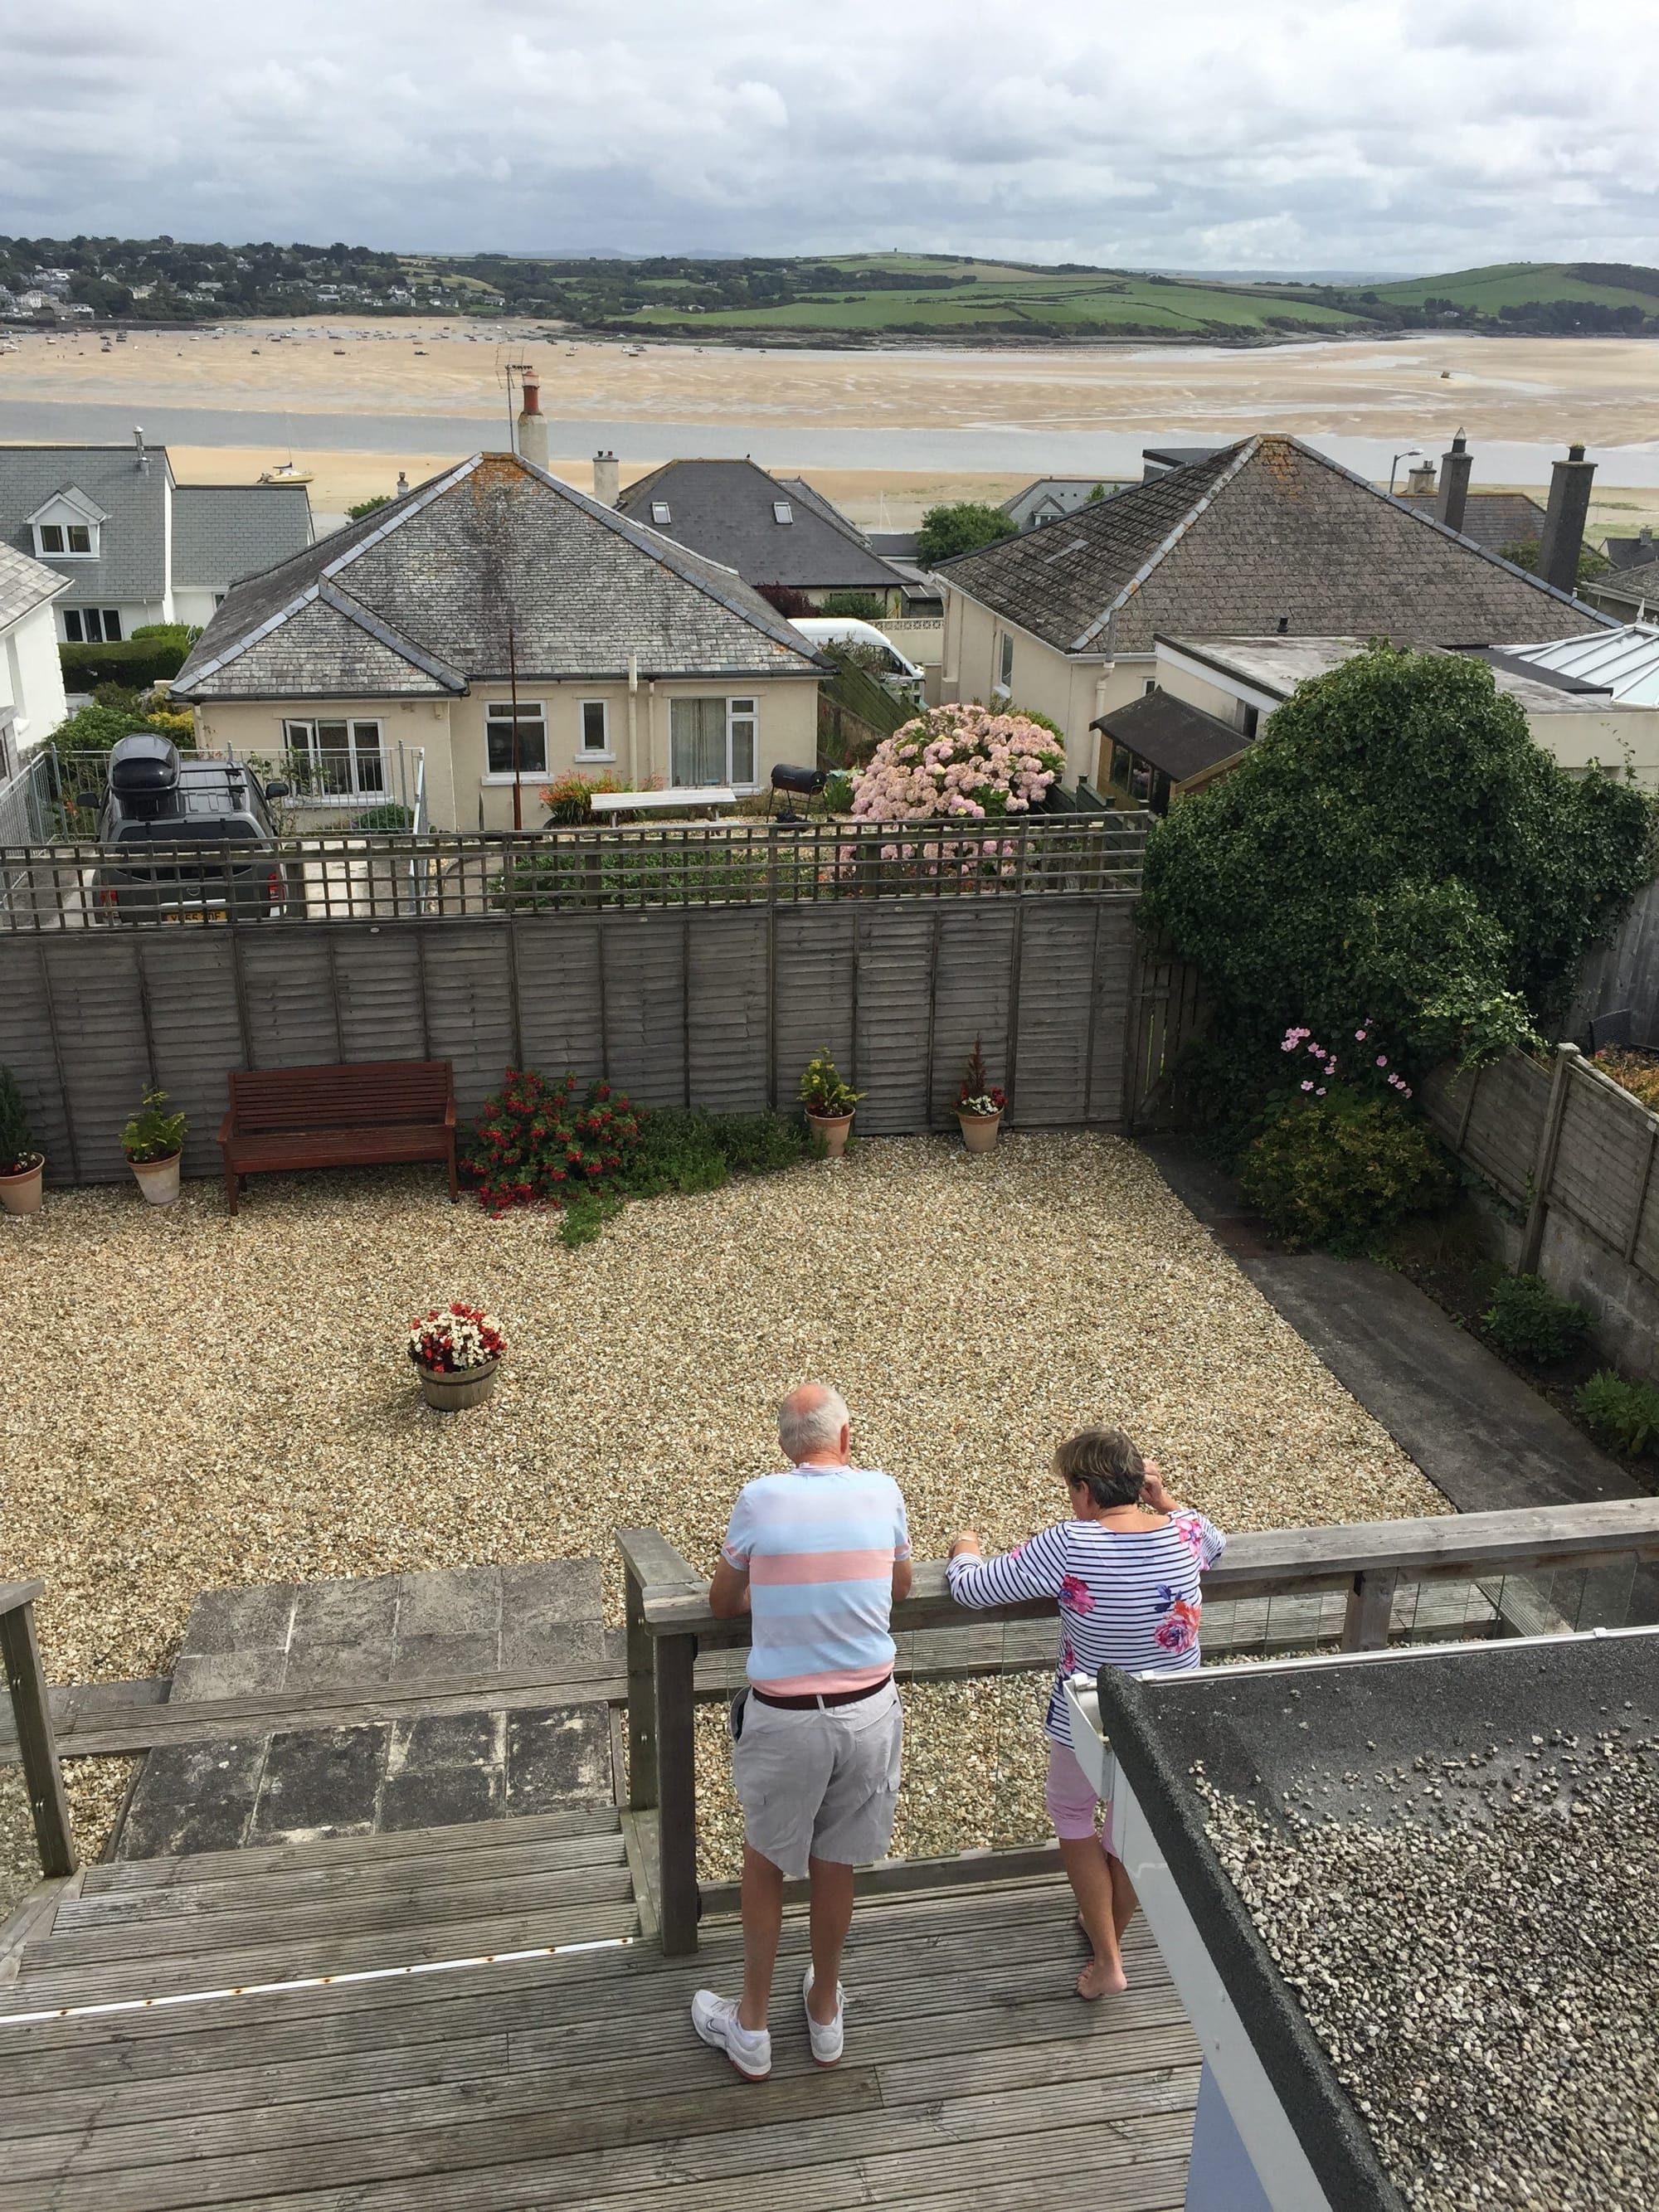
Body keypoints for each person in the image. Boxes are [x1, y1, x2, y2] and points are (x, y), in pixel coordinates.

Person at [946, 1427, 1224, 2000]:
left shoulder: (1071, 1542)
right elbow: (1216, 1542)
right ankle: (1109, 1945)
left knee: (1073, 1814)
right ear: (1135, 1481)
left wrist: (964, 1545)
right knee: (1131, 1833)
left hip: (1090, 1715)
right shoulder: (1185, 1532)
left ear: (1085, 1490)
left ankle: (1108, 1959)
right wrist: (1163, 1496)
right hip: (1168, 1718)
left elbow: (973, 1589)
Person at [690, 1382, 912, 2082]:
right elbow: (900, 1585)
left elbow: (722, 1600)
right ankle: (823, 2009)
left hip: (787, 1716)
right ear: (845, 1439)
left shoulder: (759, 1498)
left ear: (786, 1446)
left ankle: (751, 2023)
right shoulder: (883, 1491)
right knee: (835, 1861)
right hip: (870, 1707)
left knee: (765, 1859)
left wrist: (771, 1585)